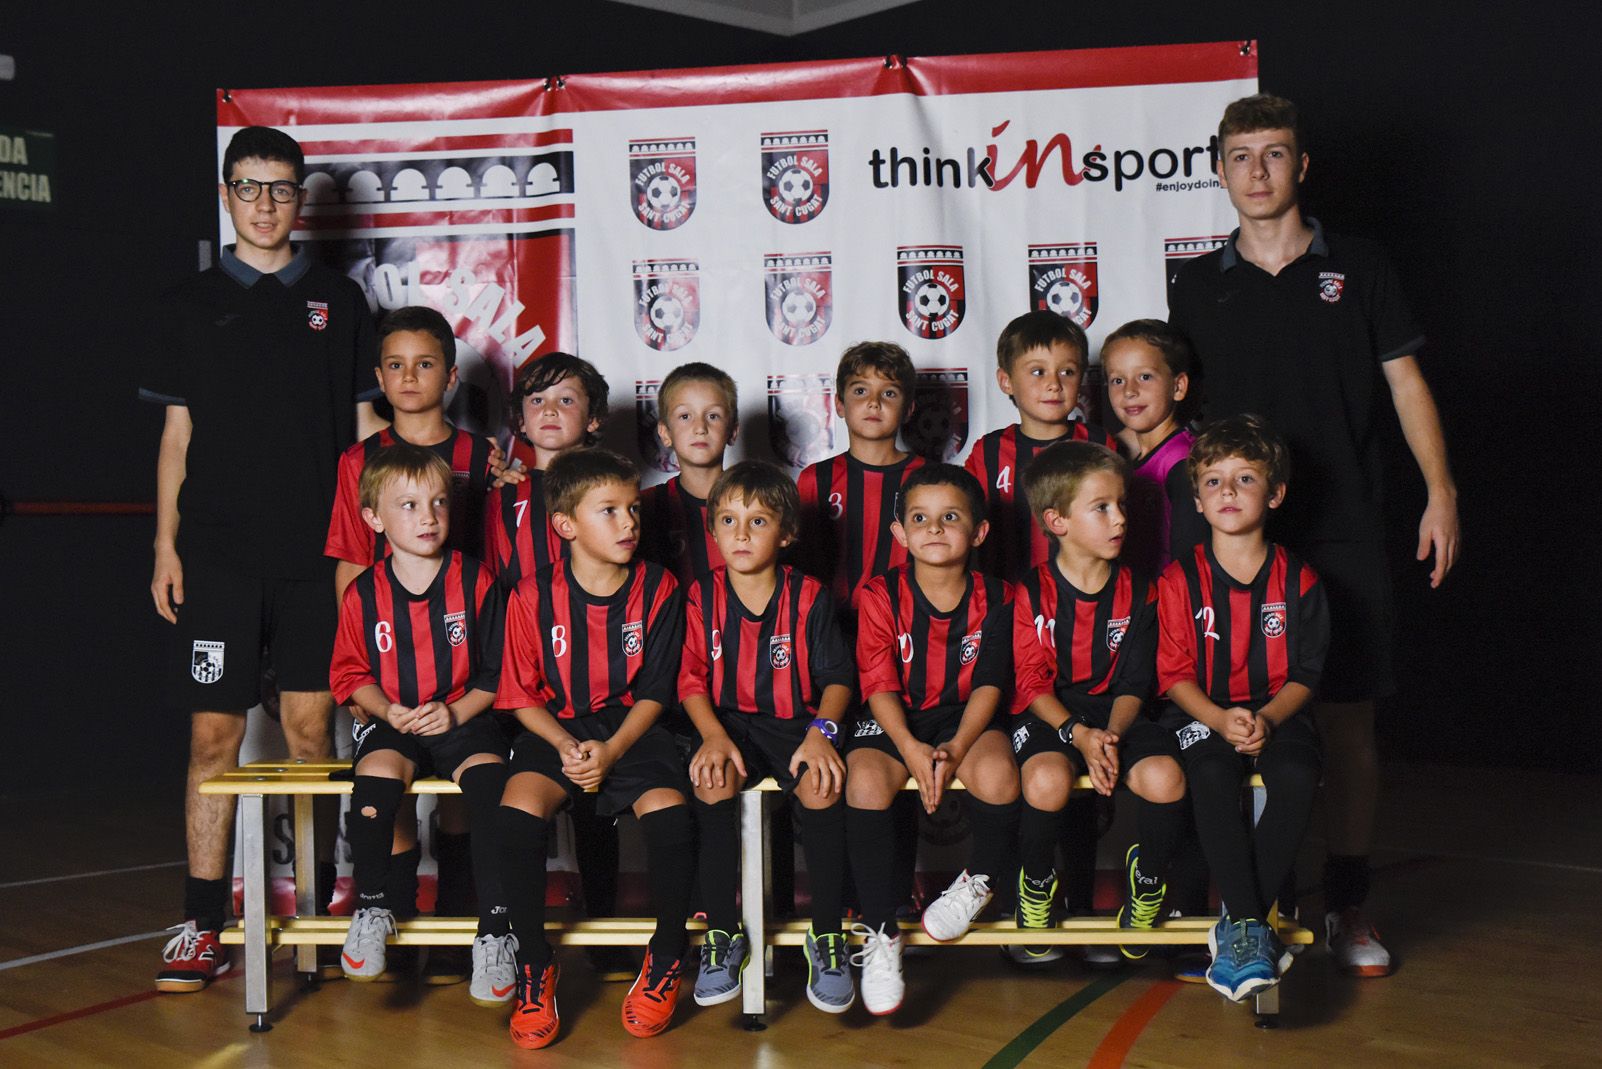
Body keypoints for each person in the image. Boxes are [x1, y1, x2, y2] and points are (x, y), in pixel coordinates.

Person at [1168, 94, 1460, 975]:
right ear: (1219, 170)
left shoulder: (1361, 266)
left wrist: (1440, 491)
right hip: (1231, 536)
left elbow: (1406, 385)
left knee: (1345, 720)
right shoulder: (1193, 281)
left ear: (1303, 168)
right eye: (1241, 156)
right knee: (1227, 725)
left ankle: (1348, 902)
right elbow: (1184, 421)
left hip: (1340, 528)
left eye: (1275, 155)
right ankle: (1246, 905)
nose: (1257, 172)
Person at [141, 125, 381, 991]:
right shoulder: (187, 302)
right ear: (227, 192)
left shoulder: (340, 300)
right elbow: (176, 436)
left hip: (317, 559)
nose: (267, 203)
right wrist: (167, 544)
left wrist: (368, 548)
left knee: (316, 731)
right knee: (215, 735)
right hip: (217, 558)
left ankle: (315, 917)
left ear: (301, 197)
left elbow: (363, 434)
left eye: (282, 188)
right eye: (250, 187)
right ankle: (203, 922)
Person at [493, 449, 693, 1049]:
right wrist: (567, 743)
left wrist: (609, 750)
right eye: (609, 511)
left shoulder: (659, 586)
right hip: (556, 728)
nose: (629, 522)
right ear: (566, 525)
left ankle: (665, 959)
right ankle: (534, 965)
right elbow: (520, 693)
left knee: (673, 819)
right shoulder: (531, 595)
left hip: (634, 729)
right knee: (516, 816)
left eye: (632, 508)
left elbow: (657, 691)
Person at [325, 306, 494, 980]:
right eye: (395, 365)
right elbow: (349, 560)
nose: (409, 377)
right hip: (392, 669)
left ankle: (459, 926)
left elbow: (500, 563)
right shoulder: (359, 461)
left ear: (450, 376)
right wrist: (366, 683)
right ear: (378, 377)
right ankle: (386, 916)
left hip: (464, 667)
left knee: (464, 799)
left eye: (424, 363)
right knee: (388, 787)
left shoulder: (483, 458)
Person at [327, 445, 514, 1003]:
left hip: (463, 715)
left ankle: (496, 931)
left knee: (489, 789)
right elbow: (352, 672)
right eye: (408, 505)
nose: (427, 516)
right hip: (395, 719)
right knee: (376, 784)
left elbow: (496, 672)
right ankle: (374, 907)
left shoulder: (477, 580)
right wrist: (387, 710)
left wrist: (456, 711)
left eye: (436, 502)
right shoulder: (363, 592)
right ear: (373, 519)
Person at [1156, 416, 1327, 1002]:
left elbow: (1307, 673)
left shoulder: (1300, 579)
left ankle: (1239, 922)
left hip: (1279, 710)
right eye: (1214, 481)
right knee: (1208, 773)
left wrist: (1269, 719)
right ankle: (1252, 928)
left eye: (1245, 478)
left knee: (1299, 774)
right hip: (1201, 714)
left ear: (1274, 493)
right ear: (1197, 498)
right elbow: (1173, 674)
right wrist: (1217, 719)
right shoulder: (1180, 579)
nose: (1228, 491)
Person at [680, 461, 855, 1015]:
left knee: (823, 786)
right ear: (711, 531)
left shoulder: (809, 596)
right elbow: (690, 680)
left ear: (786, 533)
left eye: (758, 522)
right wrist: (710, 735)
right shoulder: (699, 596)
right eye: (728, 520)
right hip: (727, 723)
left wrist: (822, 734)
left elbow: (838, 679)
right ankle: (723, 934)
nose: (740, 533)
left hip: (795, 724)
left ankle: (826, 935)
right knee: (711, 781)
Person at [846, 464, 1019, 1015]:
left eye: (951, 517)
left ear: (979, 532)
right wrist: (911, 747)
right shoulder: (878, 594)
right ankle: (881, 932)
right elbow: (876, 681)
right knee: (866, 779)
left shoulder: (1000, 596)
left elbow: (991, 680)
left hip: (965, 716)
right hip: (899, 717)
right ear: (899, 533)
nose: (935, 528)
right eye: (920, 518)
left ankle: (980, 879)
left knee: (997, 773)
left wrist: (959, 747)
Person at [483, 351, 631, 981]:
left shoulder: (614, 497)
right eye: (538, 401)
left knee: (595, 802)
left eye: (566, 400)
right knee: (512, 799)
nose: (550, 411)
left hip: (594, 685)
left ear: (593, 418)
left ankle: (604, 927)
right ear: (518, 418)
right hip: (520, 683)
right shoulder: (499, 496)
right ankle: (503, 932)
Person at [1007, 441, 1184, 964]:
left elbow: (1134, 682)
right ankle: (1037, 889)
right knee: (1047, 780)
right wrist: (1076, 735)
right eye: (1101, 507)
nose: (1119, 519)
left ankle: (1146, 885)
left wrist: (1109, 735)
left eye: (1122, 505)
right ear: (1056, 521)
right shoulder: (1028, 593)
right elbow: (1031, 682)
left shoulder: (1143, 591)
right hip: (1053, 716)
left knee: (1166, 778)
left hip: (1116, 717)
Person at [964, 310, 1118, 584]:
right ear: (1006, 381)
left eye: (1067, 372)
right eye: (1038, 371)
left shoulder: (1098, 443)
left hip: (1084, 598)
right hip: (1008, 599)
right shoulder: (988, 452)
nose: (1054, 384)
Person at [796, 341, 925, 614]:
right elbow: (799, 566)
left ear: (908, 409)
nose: (874, 402)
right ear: (840, 404)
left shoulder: (929, 480)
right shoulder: (815, 479)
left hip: (905, 626)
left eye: (889, 393)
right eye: (860, 390)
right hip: (831, 629)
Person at [1101, 319, 1207, 576]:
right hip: (1130, 606)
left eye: (1145, 377)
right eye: (1117, 380)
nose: (1129, 391)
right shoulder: (1116, 453)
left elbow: (1189, 564)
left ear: (1178, 386)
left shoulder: (1182, 462)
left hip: (1166, 606)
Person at [639, 361, 737, 584]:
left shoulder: (758, 503)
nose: (700, 427)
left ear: (732, 430)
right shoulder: (645, 507)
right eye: (685, 416)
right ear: (665, 433)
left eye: (713, 416)